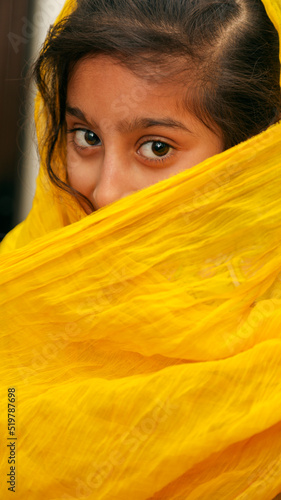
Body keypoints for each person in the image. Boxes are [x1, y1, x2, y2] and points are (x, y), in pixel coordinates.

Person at [0, 0, 281, 499]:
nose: (104, 192)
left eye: (155, 147)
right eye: (85, 136)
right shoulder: (25, 276)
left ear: (249, 162)